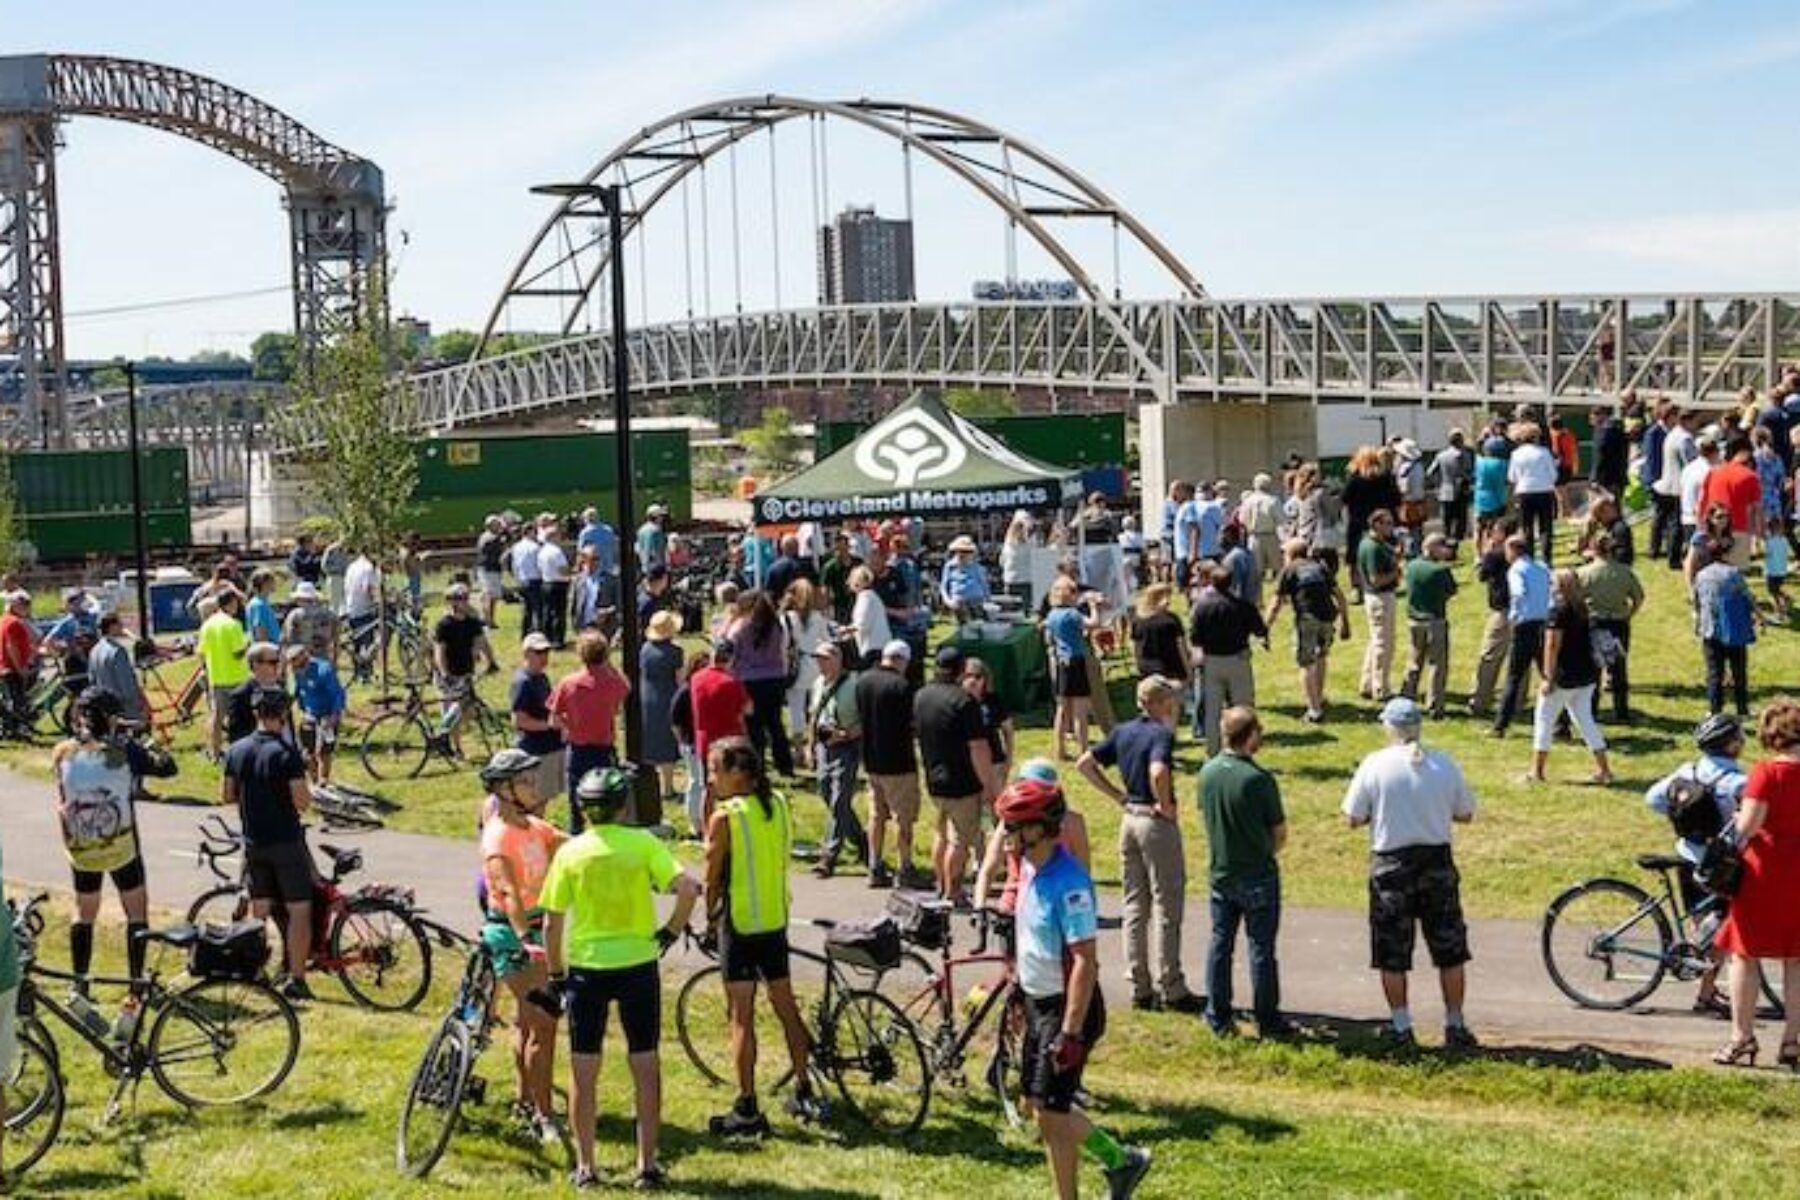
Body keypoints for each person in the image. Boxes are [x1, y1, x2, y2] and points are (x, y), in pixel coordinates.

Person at [537, 766, 699, 1190]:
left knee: (583, 1068)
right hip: (638, 965)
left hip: (588, 968)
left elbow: (552, 924)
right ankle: (647, 1164)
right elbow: (687, 888)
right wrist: (670, 930)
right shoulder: (643, 843)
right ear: (624, 805)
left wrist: (556, 975)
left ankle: (586, 1167)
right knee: (644, 1062)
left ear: (583, 808)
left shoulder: (570, 852)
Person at [1000, 777, 1154, 1200]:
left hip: (1069, 1009)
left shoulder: (1070, 883)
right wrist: (1018, 991)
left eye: (1012, 827)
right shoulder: (1030, 866)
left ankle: (1086, 1185)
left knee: (1051, 1114)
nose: (1005, 836)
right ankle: (1123, 1161)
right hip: (1038, 1001)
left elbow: (1085, 960)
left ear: (1036, 829)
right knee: (1042, 1109)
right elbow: (1030, 937)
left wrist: (1069, 1032)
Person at [702, 738, 828, 1137]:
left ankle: (746, 1106)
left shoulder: (726, 817)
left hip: (739, 926)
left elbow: (711, 874)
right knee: (785, 1006)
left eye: (715, 770)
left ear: (738, 773)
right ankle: (804, 1086)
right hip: (774, 919)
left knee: (740, 1016)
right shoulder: (776, 804)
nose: (711, 778)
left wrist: (708, 919)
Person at [1343, 697, 1478, 1048]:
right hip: (1436, 861)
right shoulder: (1443, 764)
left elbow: (1352, 818)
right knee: (1449, 949)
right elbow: (1465, 813)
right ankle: (1455, 1022)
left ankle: (1402, 1026)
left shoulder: (1375, 765)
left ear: (1389, 728)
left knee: (1392, 951)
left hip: (1391, 864)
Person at [1075, 675, 1199, 1013]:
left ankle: (1139, 983)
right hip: (1154, 823)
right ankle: (1171, 985)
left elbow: (1085, 763)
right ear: (1161, 703)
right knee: (1166, 904)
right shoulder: (1161, 735)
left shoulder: (1123, 731)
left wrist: (1118, 795)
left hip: (1129, 819)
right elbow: (1159, 771)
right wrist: (1166, 805)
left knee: (1134, 904)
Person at [51, 687, 177, 1000]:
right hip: (122, 847)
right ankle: (136, 982)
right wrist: (145, 741)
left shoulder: (62, 752)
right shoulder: (124, 751)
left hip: (82, 846)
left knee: (84, 912)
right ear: (109, 718)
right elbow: (168, 768)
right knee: (136, 912)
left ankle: (79, 982)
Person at [476, 749, 566, 1143]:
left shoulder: (533, 826)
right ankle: (544, 1117)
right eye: (526, 781)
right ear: (504, 789)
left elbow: (570, 844)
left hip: (535, 931)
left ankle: (525, 1099)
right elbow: (507, 892)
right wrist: (529, 941)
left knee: (527, 1022)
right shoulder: (498, 836)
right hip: (514, 936)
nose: (534, 788)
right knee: (543, 1025)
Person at [1711, 699, 1800, 1068]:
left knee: (1744, 955)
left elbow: (1746, 828)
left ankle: (1742, 1037)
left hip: (1765, 871)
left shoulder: (1765, 773)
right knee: (1796, 960)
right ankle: (1793, 1042)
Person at [1645, 714, 1746, 1018]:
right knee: (1723, 926)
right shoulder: (1738, 782)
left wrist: (1681, 816)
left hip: (1687, 856)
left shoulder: (1687, 771)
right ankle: (1705, 994)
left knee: (1703, 926)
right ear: (1731, 744)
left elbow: (1653, 799)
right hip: (1718, 865)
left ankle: (1706, 988)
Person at [1198, 705, 1288, 1037]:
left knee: (1220, 944)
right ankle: (1267, 1017)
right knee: (1261, 948)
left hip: (1222, 873)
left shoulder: (1207, 773)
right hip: (1258, 874)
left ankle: (1217, 1014)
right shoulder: (1259, 780)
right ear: (1249, 736)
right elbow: (1279, 834)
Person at [222, 685, 314, 1001]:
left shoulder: (236, 750)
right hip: (286, 841)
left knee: (259, 908)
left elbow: (227, 794)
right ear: (284, 715)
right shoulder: (286, 754)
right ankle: (297, 978)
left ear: (256, 714)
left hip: (254, 842)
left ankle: (254, 969)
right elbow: (302, 802)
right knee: (299, 909)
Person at [914, 646, 998, 906]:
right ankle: (953, 890)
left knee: (941, 833)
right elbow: (978, 747)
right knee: (961, 840)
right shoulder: (964, 702)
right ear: (961, 670)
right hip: (962, 781)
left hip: (934, 777)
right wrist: (987, 784)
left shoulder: (921, 696)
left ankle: (940, 883)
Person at [1530, 569, 1613, 785]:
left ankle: (1537, 772)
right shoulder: (1582, 608)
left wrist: (1548, 677)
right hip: (1586, 675)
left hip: (1563, 676)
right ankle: (1604, 770)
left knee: (1544, 721)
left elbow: (1552, 645)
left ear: (1559, 587)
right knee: (1586, 722)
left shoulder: (1557, 611)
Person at [857, 640, 928, 890]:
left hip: (871, 760)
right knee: (903, 817)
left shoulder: (863, 681)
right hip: (898, 762)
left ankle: (875, 865)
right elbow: (913, 724)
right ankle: (904, 866)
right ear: (901, 660)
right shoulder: (902, 687)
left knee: (876, 815)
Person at [549, 631, 632, 832]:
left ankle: (577, 835)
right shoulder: (612, 683)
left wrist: (572, 726)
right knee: (607, 801)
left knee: (576, 803)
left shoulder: (569, 683)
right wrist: (609, 664)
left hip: (578, 749)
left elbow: (554, 720)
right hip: (604, 749)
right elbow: (626, 687)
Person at [1265, 539, 1351, 723]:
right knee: (1321, 657)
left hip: (1308, 618)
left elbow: (1276, 603)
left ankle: (1314, 711)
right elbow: (1340, 595)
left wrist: (1266, 628)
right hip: (1328, 617)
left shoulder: (1290, 570)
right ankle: (1318, 697)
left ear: (1291, 554)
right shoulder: (1320, 567)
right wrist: (1345, 622)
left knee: (1306, 663)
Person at [1188, 563, 1267, 756]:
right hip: (1238, 659)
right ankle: (1245, 747)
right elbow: (1260, 630)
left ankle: (1213, 752)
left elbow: (1195, 637)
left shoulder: (1201, 607)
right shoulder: (1242, 605)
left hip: (1211, 661)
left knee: (1212, 711)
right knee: (1243, 708)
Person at [807, 642, 866, 879]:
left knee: (840, 797)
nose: (821, 664)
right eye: (818, 659)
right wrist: (809, 745)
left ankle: (829, 856)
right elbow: (814, 715)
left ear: (838, 660)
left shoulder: (853, 685)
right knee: (826, 793)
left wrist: (848, 734)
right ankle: (861, 840)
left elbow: (864, 719)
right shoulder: (818, 684)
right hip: (824, 745)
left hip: (847, 745)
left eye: (825, 658)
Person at [725, 589, 794, 780]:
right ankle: (785, 765)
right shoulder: (776, 625)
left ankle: (758, 765)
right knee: (775, 724)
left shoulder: (740, 626)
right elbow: (783, 649)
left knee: (753, 727)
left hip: (749, 680)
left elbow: (730, 651)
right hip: (774, 678)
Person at [1578, 533, 1644, 722]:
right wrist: (1629, 614)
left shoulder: (1585, 573)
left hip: (1594, 623)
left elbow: (1576, 599)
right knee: (1618, 669)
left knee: (1593, 670)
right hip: (1618, 624)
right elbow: (1638, 598)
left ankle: (1590, 711)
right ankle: (1621, 711)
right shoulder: (1624, 572)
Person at [1492, 533, 1550, 736]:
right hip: (1544, 624)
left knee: (1514, 677)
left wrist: (1514, 617)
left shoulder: (1516, 570)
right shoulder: (1542, 568)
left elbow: (1518, 593)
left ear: (1514, 550)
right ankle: (1562, 724)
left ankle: (1500, 725)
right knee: (1549, 674)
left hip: (1525, 626)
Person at [1691, 536, 1756, 717]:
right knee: (1739, 672)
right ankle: (1742, 708)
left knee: (1714, 673)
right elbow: (1747, 597)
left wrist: (1697, 623)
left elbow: (1696, 601)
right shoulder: (1733, 573)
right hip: (1733, 628)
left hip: (1710, 630)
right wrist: (1759, 615)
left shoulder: (1701, 575)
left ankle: (1714, 709)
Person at [434, 583, 498, 757]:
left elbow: (482, 643)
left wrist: (491, 662)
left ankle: (445, 738)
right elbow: (440, 651)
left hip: (465, 672)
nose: (459, 602)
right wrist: (444, 673)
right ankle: (456, 748)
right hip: (448, 674)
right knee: (453, 711)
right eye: (454, 599)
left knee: (465, 711)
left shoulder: (472, 623)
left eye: (462, 598)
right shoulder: (444, 625)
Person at [1400, 533, 1457, 718]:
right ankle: (1435, 705)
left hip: (1414, 620)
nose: (1446, 551)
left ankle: (1406, 697)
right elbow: (1451, 591)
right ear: (1432, 547)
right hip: (1435, 620)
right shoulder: (1440, 570)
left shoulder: (1412, 566)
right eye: (1443, 546)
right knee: (1437, 665)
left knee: (1414, 662)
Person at [1044, 577, 1097, 761]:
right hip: (1076, 661)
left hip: (1061, 662)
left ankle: (1060, 750)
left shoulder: (1051, 615)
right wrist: (1093, 606)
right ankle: (1084, 750)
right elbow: (1093, 623)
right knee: (1080, 709)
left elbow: (1049, 637)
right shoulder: (1073, 614)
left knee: (1062, 708)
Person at [634, 609, 684, 802]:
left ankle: (650, 784)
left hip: (647, 696)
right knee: (667, 744)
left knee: (650, 739)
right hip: (667, 698)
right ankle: (668, 788)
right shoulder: (675, 652)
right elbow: (679, 680)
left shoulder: (644, 649)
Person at [198, 588, 250, 760]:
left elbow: (201, 652)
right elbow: (237, 653)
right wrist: (247, 644)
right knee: (242, 716)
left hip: (217, 677)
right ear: (231, 603)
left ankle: (214, 751)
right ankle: (241, 750)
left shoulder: (207, 625)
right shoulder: (233, 625)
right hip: (237, 677)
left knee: (217, 716)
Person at [1356, 509, 1401, 702]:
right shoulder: (1372, 547)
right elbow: (1375, 580)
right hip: (1380, 597)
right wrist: (1397, 573)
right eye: (1388, 523)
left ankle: (1367, 683)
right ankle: (1381, 688)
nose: (1391, 527)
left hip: (1378, 597)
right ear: (1376, 524)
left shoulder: (1375, 543)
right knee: (1384, 644)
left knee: (1375, 642)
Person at [1342, 447, 1401, 594]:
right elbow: (1397, 499)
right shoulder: (1386, 477)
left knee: (1356, 557)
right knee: (1386, 552)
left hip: (1358, 523)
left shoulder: (1355, 479)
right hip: (1382, 522)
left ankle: (1357, 587)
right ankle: (1388, 580)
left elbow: (1344, 498)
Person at [285, 644, 346, 785]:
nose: (294, 668)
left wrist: (335, 715)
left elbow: (337, 694)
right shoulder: (295, 672)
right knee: (308, 751)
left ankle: (324, 779)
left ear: (305, 656)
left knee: (324, 751)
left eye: (295, 661)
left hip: (327, 715)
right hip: (309, 714)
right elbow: (296, 691)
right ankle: (314, 781)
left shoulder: (324, 670)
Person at [780, 580, 830, 745]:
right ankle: (815, 739)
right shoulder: (818, 617)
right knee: (816, 705)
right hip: (815, 664)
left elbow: (783, 645)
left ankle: (799, 743)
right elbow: (827, 641)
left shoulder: (786, 618)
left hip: (796, 667)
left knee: (796, 708)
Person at [1700, 436, 1763, 568]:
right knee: (1736, 571)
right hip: (1738, 528)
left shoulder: (1713, 471)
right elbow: (1757, 509)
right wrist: (1758, 536)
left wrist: (1701, 525)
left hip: (1714, 526)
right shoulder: (1751, 476)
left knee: (1712, 567)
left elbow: (1702, 501)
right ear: (1750, 463)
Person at [1508, 424, 1560, 565]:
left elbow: (1512, 477)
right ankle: (1546, 558)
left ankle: (1529, 557)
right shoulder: (1544, 452)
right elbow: (1553, 474)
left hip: (1524, 492)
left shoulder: (1516, 454)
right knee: (1545, 527)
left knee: (1526, 527)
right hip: (1544, 491)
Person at [87, 613, 146, 728]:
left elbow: (92, 679)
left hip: (103, 705)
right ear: (112, 627)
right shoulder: (117, 651)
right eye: (119, 624)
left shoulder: (94, 650)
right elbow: (126, 683)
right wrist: (139, 702)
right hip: (123, 706)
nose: (122, 627)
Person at [1129, 582, 1188, 685]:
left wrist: (1136, 664)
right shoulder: (1171, 619)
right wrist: (1188, 671)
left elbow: (1134, 646)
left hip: (1146, 669)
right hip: (1171, 669)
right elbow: (1181, 647)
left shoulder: (1137, 620)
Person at [1644, 402, 1680, 561]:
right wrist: (1655, 482)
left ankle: (1662, 546)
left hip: (1668, 480)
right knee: (1660, 516)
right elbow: (1652, 459)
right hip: (1658, 481)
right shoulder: (1654, 433)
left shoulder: (1670, 432)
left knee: (1666, 515)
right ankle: (1654, 548)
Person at [1428, 431, 1472, 545]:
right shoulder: (1464, 455)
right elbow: (1467, 472)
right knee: (1460, 519)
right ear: (1460, 441)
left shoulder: (1441, 455)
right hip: (1461, 490)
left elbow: (1430, 472)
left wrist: (1438, 484)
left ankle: (1446, 540)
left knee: (1446, 520)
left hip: (1445, 490)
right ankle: (1458, 542)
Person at [281, 581, 338, 666]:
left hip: (300, 661)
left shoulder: (294, 616)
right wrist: (334, 661)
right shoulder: (330, 615)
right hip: (324, 659)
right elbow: (336, 641)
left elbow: (287, 640)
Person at [847, 564, 891, 669]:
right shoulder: (872, 595)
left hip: (872, 649)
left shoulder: (864, 597)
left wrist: (845, 630)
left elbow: (862, 625)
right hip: (881, 646)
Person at [939, 534, 992, 621]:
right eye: (961, 551)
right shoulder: (949, 566)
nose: (964, 554)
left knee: (980, 625)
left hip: (977, 600)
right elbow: (943, 586)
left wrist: (988, 601)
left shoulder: (977, 567)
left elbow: (984, 584)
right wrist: (948, 601)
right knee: (965, 628)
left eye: (968, 551)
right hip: (958, 602)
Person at [1239, 474, 1282, 577]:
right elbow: (1281, 519)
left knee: (1256, 567)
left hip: (1253, 536)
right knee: (1276, 566)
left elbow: (1241, 519)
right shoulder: (1273, 500)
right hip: (1270, 535)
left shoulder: (1247, 501)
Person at [538, 523, 571, 649]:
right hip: (558, 583)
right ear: (553, 537)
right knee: (559, 613)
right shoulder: (556, 551)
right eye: (559, 535)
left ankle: (547, 637)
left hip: (546, 582)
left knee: (547, 612)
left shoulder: (542, 551)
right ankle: (558, 640)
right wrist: (572, 571)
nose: (561, 538)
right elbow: (562, 569)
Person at [510, 521, 544, 638]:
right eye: (535, 532)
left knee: (526, 609)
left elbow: (514, 565)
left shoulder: (516, 547)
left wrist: (516, 579)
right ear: (530, 532)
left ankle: (524, 633)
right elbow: (540, 565)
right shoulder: (536, 547)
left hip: (522, 580)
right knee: (538, 609)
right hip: (535, 580)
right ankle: (539, 633)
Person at [1473, 436, 1509, 542]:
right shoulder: (1503, 464)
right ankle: (1492, 546)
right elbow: (1505, 481)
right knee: (1495, 527)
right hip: (1497, 498)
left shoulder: (1479, 462)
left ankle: (1478, 554)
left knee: (1479, 528)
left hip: (1480, 498)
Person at [819, 532, 860, 626]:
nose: (841, 551)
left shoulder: (858, 562)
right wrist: (825, 610)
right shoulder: (829, 567)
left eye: (843, 547)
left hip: (857, 602)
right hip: (840, 607)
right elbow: (825, 589)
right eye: (838, 548)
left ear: (848, 547)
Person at [476, 514, 508, 627]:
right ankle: (488, 620)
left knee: (493, 596)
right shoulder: (488, 537)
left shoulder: (494, 537)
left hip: (493, 569)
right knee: (489, 595)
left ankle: (489, 619)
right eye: (497, 524)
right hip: (487, 569)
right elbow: (496, 544)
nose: (499, 526)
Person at [1592, 406, 1629, 499]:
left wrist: (1594, 478)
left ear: (1601, 416)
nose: (1591, 420)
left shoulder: (1603, 433)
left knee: (1604, 509)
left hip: (1605, 480)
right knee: (1616, 507)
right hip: (1619, 477)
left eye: (1592, 417)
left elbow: (1599, 457)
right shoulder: (1619, 430)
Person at [576, 507, 619, 579]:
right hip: (608, 568)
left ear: (587, 519)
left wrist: (578, 568)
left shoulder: (585, 532)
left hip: (593, 570)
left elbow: (581, 553)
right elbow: (615, 549)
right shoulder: (609, 530)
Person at [636, 504, 670, 573]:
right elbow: (656, 550)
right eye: (661, 516)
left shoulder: (641, 530)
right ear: (656, 516)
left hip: (644, 566)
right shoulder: (656, 530)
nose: (662, 518)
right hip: (656, 568)